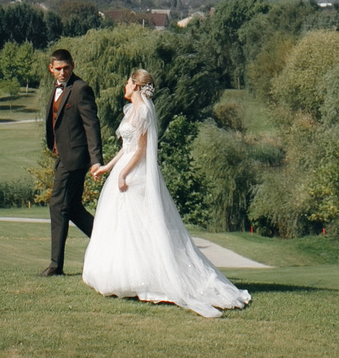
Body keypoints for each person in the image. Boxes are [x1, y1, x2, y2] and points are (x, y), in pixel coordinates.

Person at [82, 68, 251, 318]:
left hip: (135, 174)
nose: (124, 86)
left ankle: (148, 277)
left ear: (137, 86)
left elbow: (140, 151)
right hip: (124, 169)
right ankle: (123, 275)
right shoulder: (130, 111)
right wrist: (108, 167)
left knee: (141, 227)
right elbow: (125, 148)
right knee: (120, 226)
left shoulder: (142, 112)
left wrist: (123, 174)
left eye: (128, 83)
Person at [40, 48, 99, 276]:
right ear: (51, 69)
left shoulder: (81, 89)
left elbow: (91, 126)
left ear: (72, 66)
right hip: (63, 156)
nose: (62, 73)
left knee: (57, 205)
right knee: (72, 208)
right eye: (58, 69)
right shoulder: (55, 88)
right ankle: (109, 241)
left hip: (75, 158)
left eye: (66, 68)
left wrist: (95, 161)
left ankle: (56, 265)